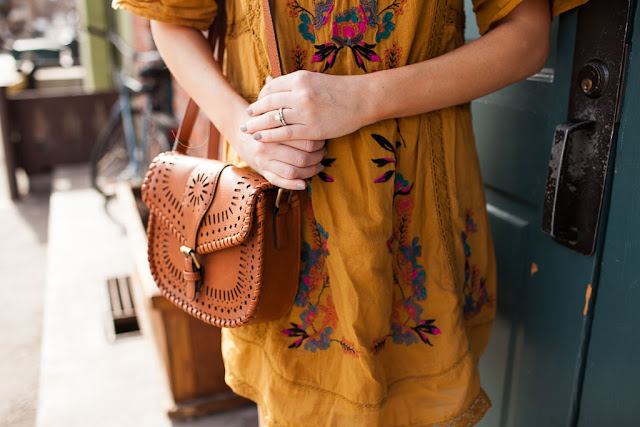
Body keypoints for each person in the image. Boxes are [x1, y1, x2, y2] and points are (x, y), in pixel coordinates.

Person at [112, 0, 586, 425]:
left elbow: (527, 36)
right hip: (282, 218)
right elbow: (171, 22)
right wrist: (245, 133)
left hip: (414, 214)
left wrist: (362, 98)